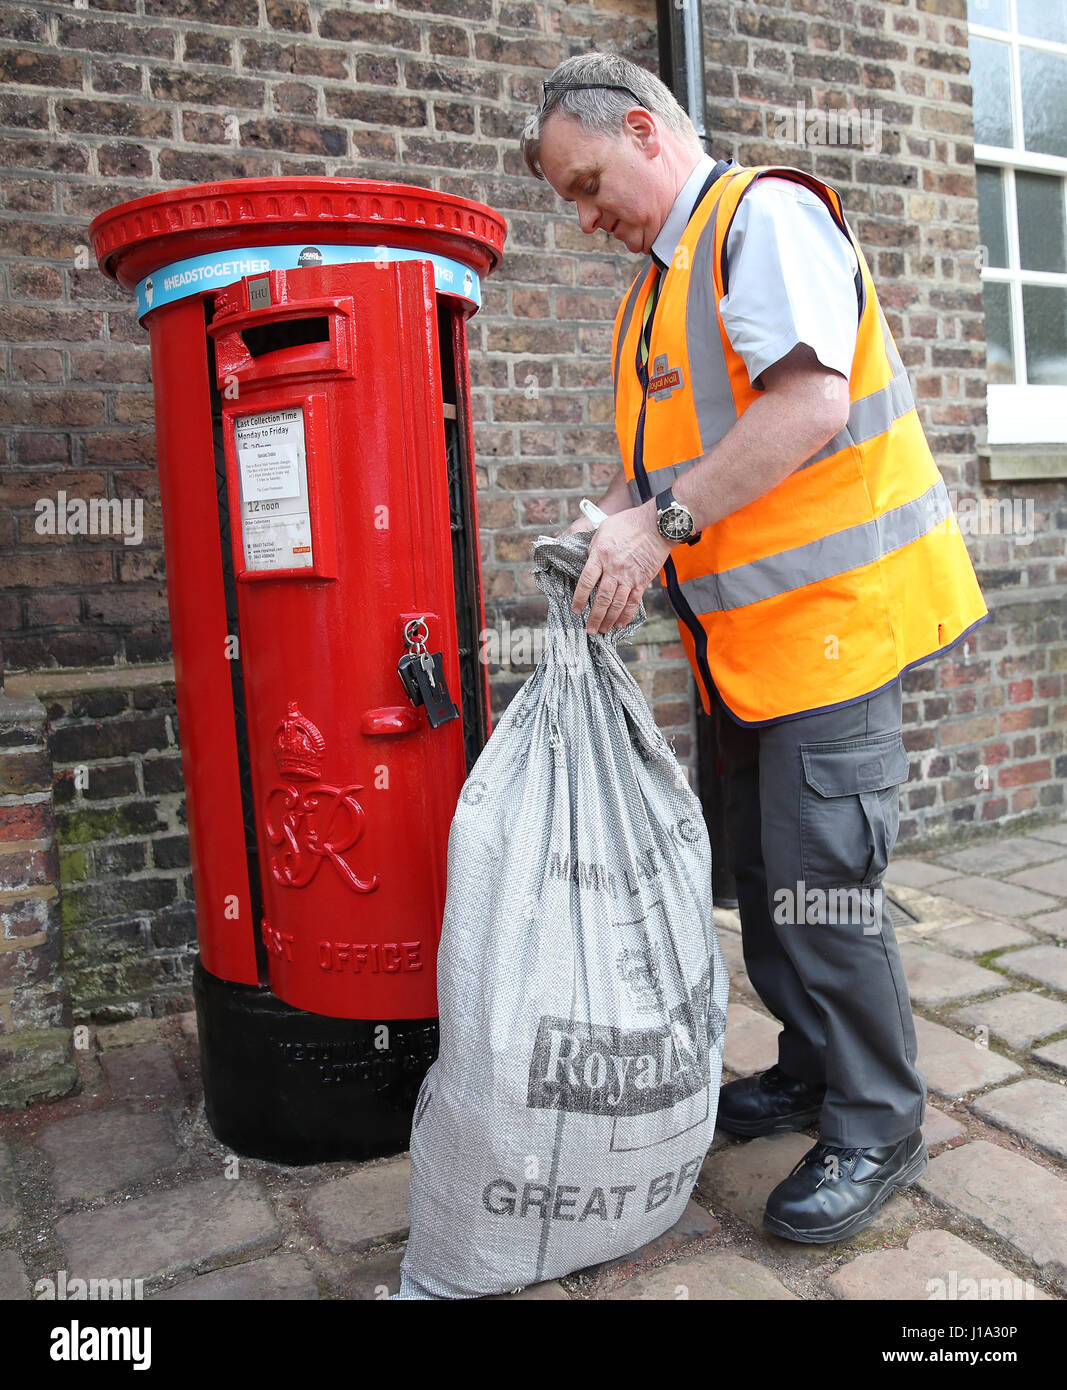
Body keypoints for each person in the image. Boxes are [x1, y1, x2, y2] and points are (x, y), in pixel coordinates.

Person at [520, 52, 988, 1244]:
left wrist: (656, 524)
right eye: (567, 203)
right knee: (768, 878)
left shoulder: (759, 219)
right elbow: (677, 471)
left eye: (585, 185)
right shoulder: (657, 287)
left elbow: (806, 406)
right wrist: (608, 533)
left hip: (832, 626)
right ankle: (809, 1066)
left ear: (641, 128)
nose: (582, 219)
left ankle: (877, 1118)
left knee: (823, 885)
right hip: (746, 647)